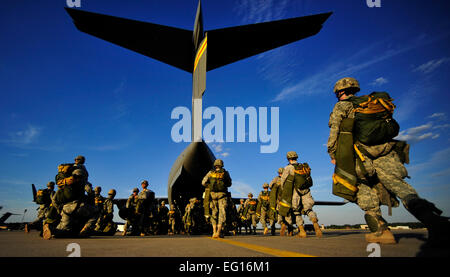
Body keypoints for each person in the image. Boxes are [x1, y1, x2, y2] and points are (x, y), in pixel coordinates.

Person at [328, 77, 450, 244]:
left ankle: (381, 231)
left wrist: (333, 154)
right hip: (387, 152)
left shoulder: (342, 106)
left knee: (360, 187)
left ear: (340, 92)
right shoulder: (373, 103)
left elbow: (335, 131)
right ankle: (433, 221)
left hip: (361, 155)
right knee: (399, 186)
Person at [279, 151, 322, 238]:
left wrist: (285, 192)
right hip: (306, 190)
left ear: (288, 158)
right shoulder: (303, 166)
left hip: (296, 191)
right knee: (308, 209)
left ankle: (302, 231)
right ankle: (315, 223)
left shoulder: (288, 168)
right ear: (296, 158)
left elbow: (283, 181)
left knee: (296, 211)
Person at [201, 159, 232, 238]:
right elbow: (229, 184)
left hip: (213, 195)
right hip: (222, 195)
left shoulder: (210, 173)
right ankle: (218, 232)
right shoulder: (225, 173)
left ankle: (214, 232)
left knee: (214, 213)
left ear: (215, 165)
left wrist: (210, 186)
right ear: (222, 165)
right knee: (222, 214)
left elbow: (203, 182)